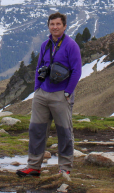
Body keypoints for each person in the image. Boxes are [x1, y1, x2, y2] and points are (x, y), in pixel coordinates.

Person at [17, 12, 82, 177]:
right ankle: (33, 167)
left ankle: (65, 167)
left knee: (64, 132)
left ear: (65, 26)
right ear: (49, 26)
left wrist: (68, 92)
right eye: (52, 24)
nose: (55, 27)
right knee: (36, 130)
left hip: (61, 95)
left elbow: (77, 71)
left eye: (58, 24)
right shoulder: (45, 45)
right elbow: (39, 66)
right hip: (42, 94)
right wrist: (37, 89)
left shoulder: (71, 45)